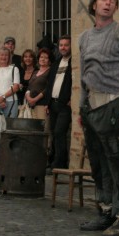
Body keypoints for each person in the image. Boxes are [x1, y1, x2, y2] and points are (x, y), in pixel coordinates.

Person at [79, 0, 119, 236]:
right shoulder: (84, 38)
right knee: (98, 163)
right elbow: (84, 75)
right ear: (94, 5)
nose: (108, 3)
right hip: (91, 109)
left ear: (115, 8)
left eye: (113, 1)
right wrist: (81, 108)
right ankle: (106, 212)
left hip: (116, 106)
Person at [46, 35, 72, 171]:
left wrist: (73, 98)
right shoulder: (56, 63)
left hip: (65, 105)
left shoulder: (73, 63)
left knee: (59, 132)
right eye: (61, 45)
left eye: (66, 45)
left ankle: (59, 163)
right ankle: (53, 161)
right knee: (54, 133)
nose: (63, 47)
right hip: (53, 103)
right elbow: (50, 84)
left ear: (71, 46)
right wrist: (47, 103)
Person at [23, 48, 51, 120]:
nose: (43, 59)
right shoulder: (35, 72)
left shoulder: (50, 71)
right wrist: (28, 98)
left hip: (42, 105)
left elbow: (48, 88)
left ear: (49, 60)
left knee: (41, 125)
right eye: (41, 57)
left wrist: (35, 100)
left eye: (46, 58)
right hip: (30, 105)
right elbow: (29, 87)